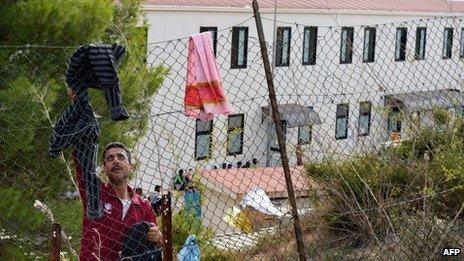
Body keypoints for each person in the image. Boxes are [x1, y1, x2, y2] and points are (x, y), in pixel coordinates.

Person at [72, 142, 162, 260]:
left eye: (121, 157)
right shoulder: (94, 193)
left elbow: (156, 241)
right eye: (110, 158)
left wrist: (158, 237)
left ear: (131, 167)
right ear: (105, 170)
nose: (115, 161)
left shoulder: (144, 205)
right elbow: (82, 164)